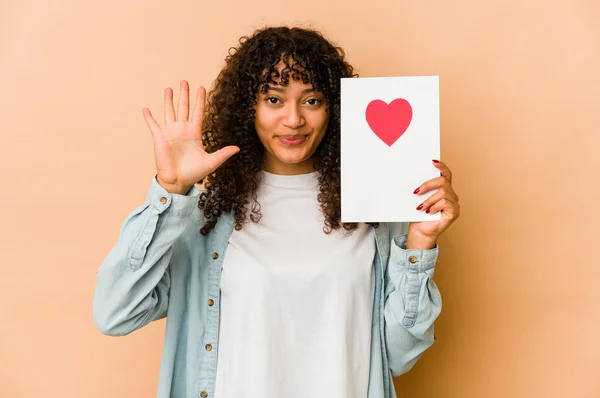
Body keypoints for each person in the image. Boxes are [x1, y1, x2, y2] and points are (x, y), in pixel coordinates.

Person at [93, 26, 460, 398]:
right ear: (248, 107)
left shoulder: (374, 215)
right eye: (274, 99)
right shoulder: (206, 218)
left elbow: (396, 356)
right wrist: (170, 193)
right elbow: (116, 313)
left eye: (312, 100)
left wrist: (420, 242)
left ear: (334, 109)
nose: (294, 119)